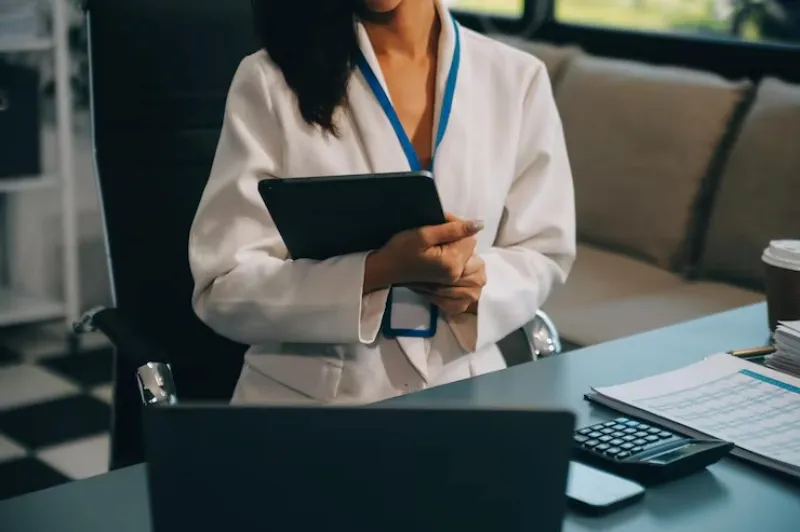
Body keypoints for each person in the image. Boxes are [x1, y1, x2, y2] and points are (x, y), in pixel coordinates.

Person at [188, 0, 576, 405]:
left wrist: (479, 285)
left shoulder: (517, 80)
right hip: (312, 405)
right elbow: (224, 285)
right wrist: (376, 271)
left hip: (465, 392)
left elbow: (544, 249)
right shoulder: (270, 80)